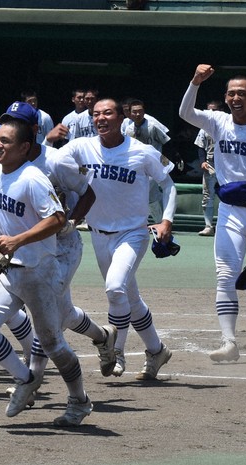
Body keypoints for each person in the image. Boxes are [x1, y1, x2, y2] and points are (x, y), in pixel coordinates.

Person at [0, 118, 93, 427]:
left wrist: (17, 240)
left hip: (39, 274)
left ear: (25, 147)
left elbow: (56, 219)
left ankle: (79, 401)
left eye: (6, 141)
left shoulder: (33, 178)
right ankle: (25, 378)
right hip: (8, 272)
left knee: (52, 344)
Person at [54, 97, 174, 378]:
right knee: (129, 298)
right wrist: (48, 140)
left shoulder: (142, 152)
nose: (100, 118)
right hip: (98, 234)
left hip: (133, 233)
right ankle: (157, 351)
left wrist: (166, 220)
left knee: (115, 288)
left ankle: (115, 350)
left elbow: (168, 186)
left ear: (123, 118)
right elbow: (53, 162)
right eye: (96, 114)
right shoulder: (82, 146)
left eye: (107, 113)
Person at [179, 64, 246, 361]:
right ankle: (229, 342)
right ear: (225, 98)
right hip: (230, 210)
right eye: (231, 93)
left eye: (242, 93)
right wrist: (195, 81)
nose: (235, 98)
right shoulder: (218, 122)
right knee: (225, 274)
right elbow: (186, 113)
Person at [121, 98, 173, 224]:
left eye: (140, 111)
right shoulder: (128, 129)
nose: (137, 114)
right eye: (134, 112)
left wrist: (172, 158)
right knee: (152, 196)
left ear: (144, 111)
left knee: (146, 191)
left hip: (154, 164)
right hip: (138, 166)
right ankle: (160, 223)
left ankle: (150, 222)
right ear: (130, 113)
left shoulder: (152, 125)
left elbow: (167, 141)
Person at [195, 100, 222, 236]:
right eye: (209, 109)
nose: (211, 112)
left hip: (225, 165)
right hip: (210, 164)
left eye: (214, 109)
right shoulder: (204, 127)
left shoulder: (226, 125)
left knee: (228, 194)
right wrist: (202, 161)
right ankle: (208, 226)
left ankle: (225, 226)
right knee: (207, 196)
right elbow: (200, 146)